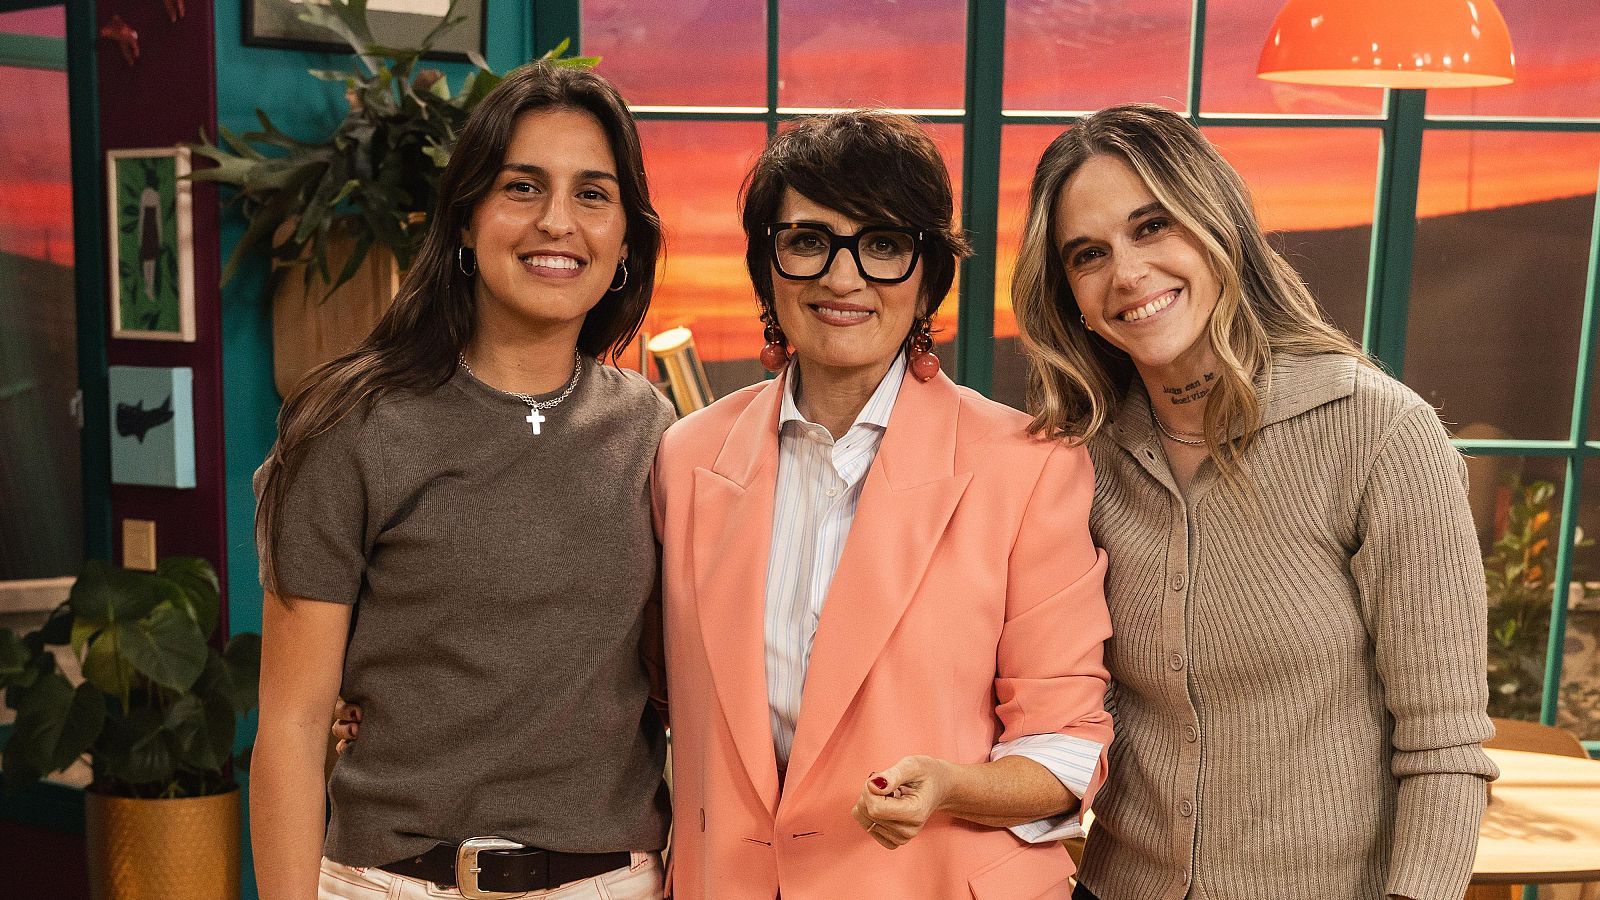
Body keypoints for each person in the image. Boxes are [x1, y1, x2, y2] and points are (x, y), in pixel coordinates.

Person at [1010, 103, 1497, 900]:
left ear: (1220, 226)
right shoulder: (1081, 457)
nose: (1127, 274)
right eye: (1088, 254)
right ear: (1070, 294)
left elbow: (1445, 747)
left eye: (1152, 226)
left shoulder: (1376, 434)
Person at [650, 110, 1115, 900]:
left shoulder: (1030, 468)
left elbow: (1065, 746)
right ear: (768, 268)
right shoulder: (686, 456)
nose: (843, 277)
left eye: (884, 245)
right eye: (807, 241)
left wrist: (950, 784)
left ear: (928, 274)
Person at [251, 61, 675, 900]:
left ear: (626, 240)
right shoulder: (350, 426)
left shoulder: (654, 431)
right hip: (391, 884)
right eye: (523, 187)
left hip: (611, 885)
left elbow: (687, 684)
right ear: (465, 222)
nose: (558, 222)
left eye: (593, 194)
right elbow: (295, 723)